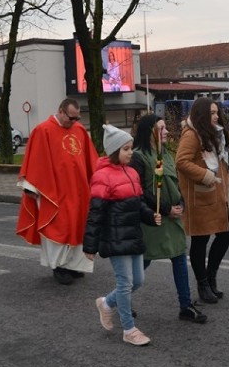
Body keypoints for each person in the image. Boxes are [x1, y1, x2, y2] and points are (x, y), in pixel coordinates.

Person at [84, 125, 162, 346]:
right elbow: (95, 213)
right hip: (114, 238)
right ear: (114, 150)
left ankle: (106, 303)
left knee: (138, 280)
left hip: (133, 236)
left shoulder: (132, 173)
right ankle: (129, 329)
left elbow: (138, 204)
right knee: (125, 283)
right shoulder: (102, 176)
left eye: (131, 148)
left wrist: (150, 216)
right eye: (126, 149)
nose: (131, 152)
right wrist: (90, 246)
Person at [130, 114, 207, 323]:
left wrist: (180, 203)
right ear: (150, 132)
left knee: (179, 257)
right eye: (161, 128)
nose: (166, 132)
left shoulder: (165, 154)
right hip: (153, 220)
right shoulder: (138, 157)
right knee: (142, 262)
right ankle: (120, 299)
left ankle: (185, 306)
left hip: (172, 218)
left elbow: (174, 183)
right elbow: (141, 191)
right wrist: (165, 209)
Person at [16, 98, 99, 285]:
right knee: (59, 227)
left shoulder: (78, 130)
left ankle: (74, 265)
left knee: (78, 226)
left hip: (78, 190)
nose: (74, 122)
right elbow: (36, 162)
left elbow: (90, 160)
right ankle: (59, 267)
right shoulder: (43, 130)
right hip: (54, 192)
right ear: (61, 111)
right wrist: (31, 187)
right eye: (71, 118)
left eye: (77, 118)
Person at [176, 97, 229, 304]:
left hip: (216, 194)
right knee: (200, 240)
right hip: (200, 194)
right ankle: (203, 284)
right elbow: (181, 161)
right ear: (201, 114)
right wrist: (205, 175)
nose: (216, 116)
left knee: (226, 232)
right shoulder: (192, 135)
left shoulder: (212, 132)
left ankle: (211, 277)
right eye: (211, 113)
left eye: (216, 112)